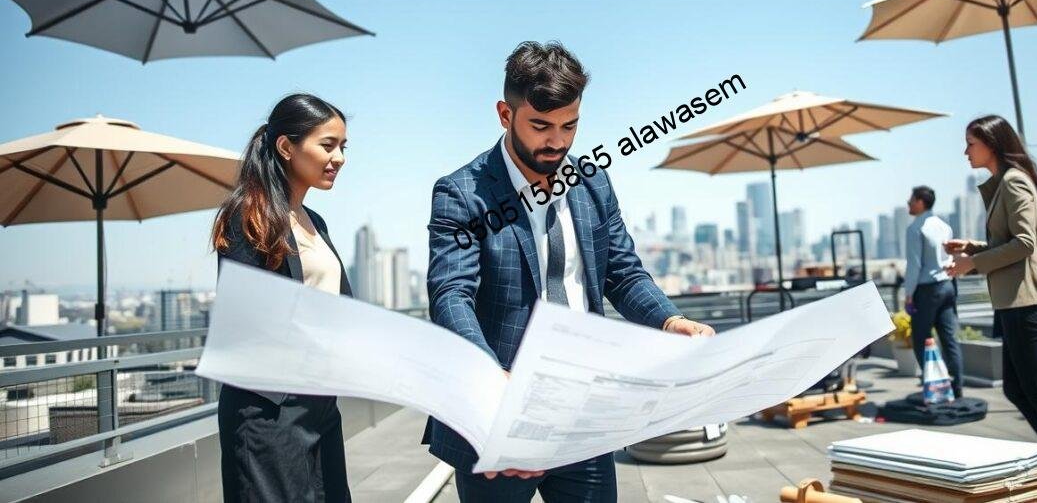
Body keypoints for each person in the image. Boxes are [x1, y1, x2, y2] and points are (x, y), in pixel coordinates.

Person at [422, 41, 715, 502]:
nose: (557, 141)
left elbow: (623, 273)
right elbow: (451, 296)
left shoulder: (592, 182)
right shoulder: (462, 194)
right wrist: (489, 379)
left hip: (582, 408)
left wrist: (669, 320)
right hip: (499, 412)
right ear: (505, 114)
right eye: (540, 126)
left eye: (570, 125)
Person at [211, 93, 354, 503]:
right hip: (268, 409)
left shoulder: (315, 222)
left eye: (343, 147)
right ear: (287, 147)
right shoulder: (248, 216)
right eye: (328, 145)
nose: (339, 158)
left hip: (320, 404)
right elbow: (247, 317)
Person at [943, 115, 1037, 503]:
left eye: (970, 143)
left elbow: (1025, 243)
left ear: (991, 144)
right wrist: (972, 248)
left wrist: (973, 263)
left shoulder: (1013, 181)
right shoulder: (1004, 183)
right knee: (1015, 388)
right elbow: (1009, 241)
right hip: (1012, 299)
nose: (965, 151)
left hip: (1026, 298)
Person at [903, 185, 963, 398]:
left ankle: (934, 389)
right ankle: (957, 389)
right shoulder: (944, 226)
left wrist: (908, 295)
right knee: (949, 340)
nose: (908, 204)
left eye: (911, 200)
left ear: (920, 202)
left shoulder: (915, 229)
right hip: (948, 286)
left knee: (921, 339)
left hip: (927, 290)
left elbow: (914, 265)